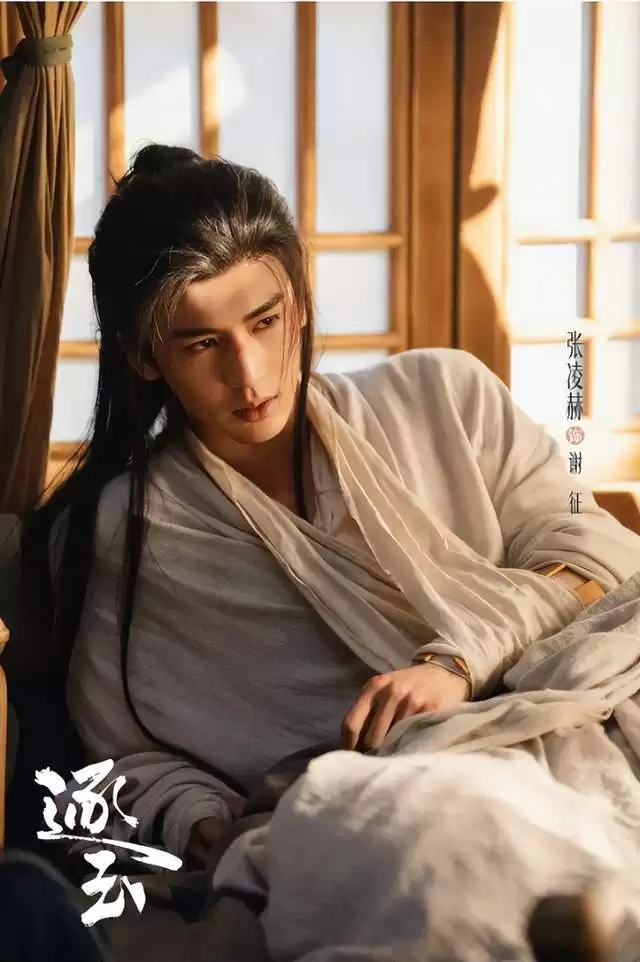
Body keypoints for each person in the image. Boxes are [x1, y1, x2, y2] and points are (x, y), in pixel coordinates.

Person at [19, 144, 640, 870]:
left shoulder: (444, 396)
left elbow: (596, 564)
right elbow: (123, 753)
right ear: (144, 355)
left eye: (265, 321)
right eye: (204, 344)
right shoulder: (122, 531)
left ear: (301, 303)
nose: (248, 374)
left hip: (580, 716)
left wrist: (460, 659)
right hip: (382, 803)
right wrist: (191, 813)